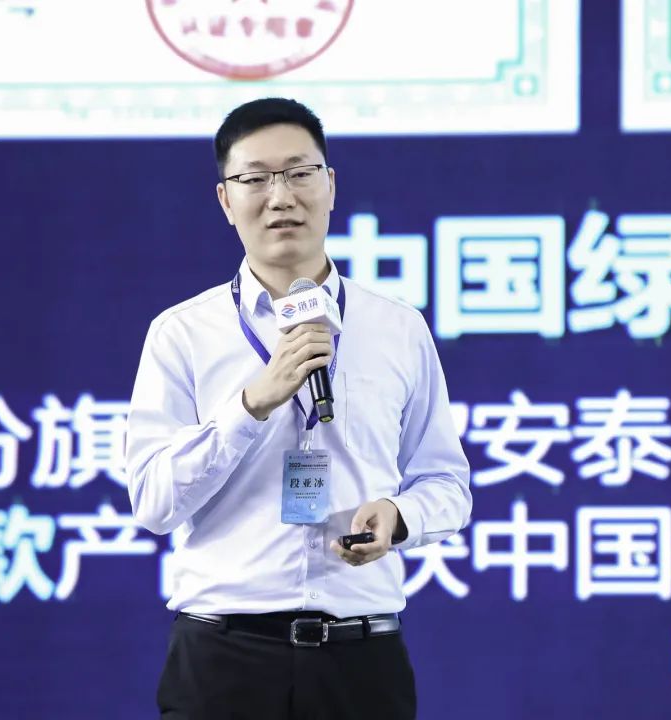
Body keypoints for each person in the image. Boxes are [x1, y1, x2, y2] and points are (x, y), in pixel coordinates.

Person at [125, 97, 472, 720]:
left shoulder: (397, 327)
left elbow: (447, 483)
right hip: (224, 658)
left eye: (299, 173)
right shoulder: (182, 333)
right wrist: (251, 404)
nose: (280, 196)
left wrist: (399, 516)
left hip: (361, 658)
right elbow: (153, 502)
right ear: (226, 200)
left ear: (330, 185)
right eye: (255, 178)